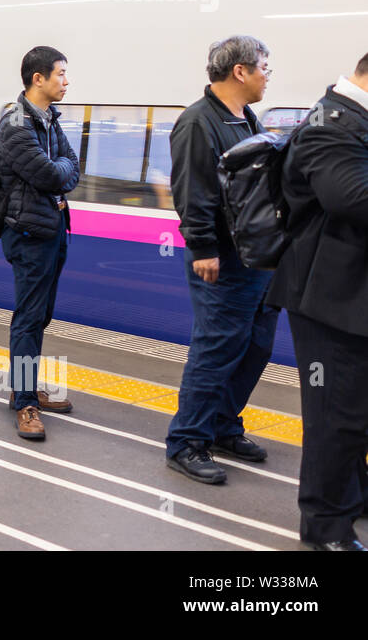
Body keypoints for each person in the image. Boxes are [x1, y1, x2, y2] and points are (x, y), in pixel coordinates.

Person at [164, 36, 278, 484]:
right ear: (240, 71)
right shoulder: (198, 123)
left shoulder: (245, 118)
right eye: (265, 67)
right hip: (223, 259)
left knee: (255, 345)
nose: (269, 75)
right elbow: (191, 190)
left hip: (257, 257)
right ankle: (186, 441)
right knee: (215, 348)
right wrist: (204, 248)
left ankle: (223, 425)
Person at [266, 57, 368, 550]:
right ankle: (325, 524)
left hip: (352, 297)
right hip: (327, 301)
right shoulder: (330, 124)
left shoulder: (353, 119)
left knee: (357, 412)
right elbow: (353, 198)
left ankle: (354, 496)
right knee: (335, 414)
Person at [0, 46, 81, 440]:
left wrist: (60, 173)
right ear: (38, 79)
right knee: (28, 319)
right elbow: (50, 175)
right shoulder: (15, 123)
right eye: (61, 74)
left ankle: (24, 384)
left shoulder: (48, 120)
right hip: (29, 233)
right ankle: (25, 401)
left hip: (52, 228)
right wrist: (59, 174)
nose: (67, 81)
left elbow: (72, 167)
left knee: (40, 314)